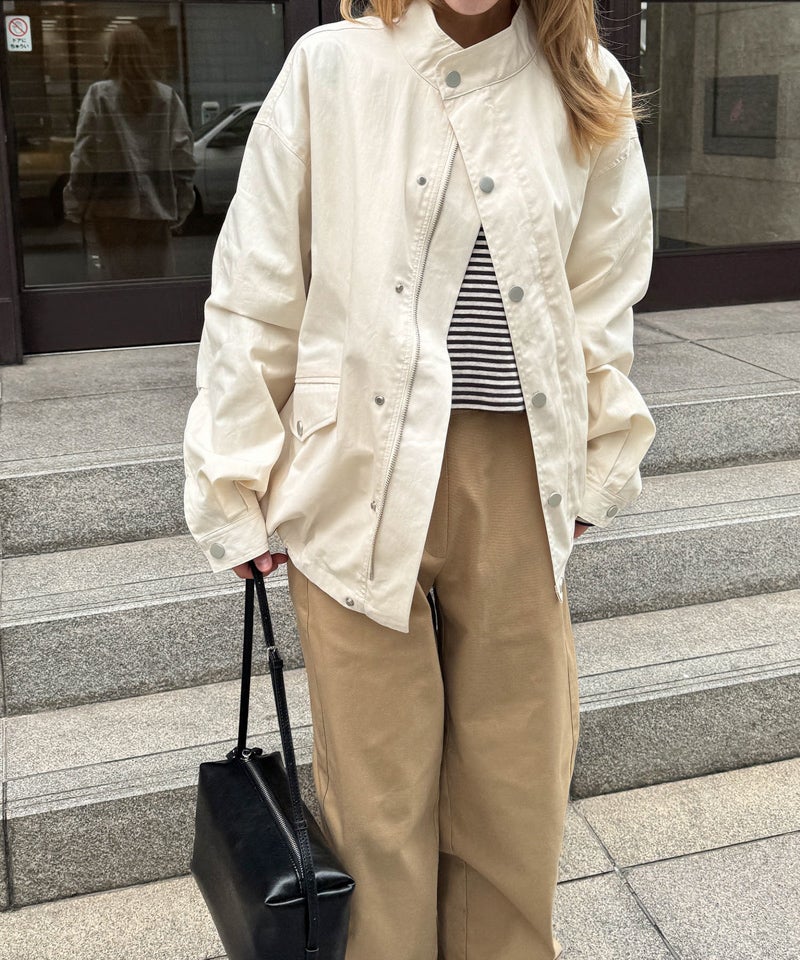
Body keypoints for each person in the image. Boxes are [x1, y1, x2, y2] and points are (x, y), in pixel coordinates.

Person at [182, 0, 657, 956]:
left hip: (515, 472)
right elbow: (258, 285)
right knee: (375, 800)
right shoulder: (332, 66)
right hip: (352, 469)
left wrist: (598, 460)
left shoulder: (585, 83)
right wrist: (233, 476)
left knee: (516, 786)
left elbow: (602, 295)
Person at [63, 23, 195, 280]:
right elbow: (182, 157)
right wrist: (183, 204)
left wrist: (75, 204)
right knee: (155, 286)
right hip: (157, 210)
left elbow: (84, 156)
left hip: (110, 210)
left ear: (112, 54)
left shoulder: (99, 95)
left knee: (117, 287)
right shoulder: (167, 97)